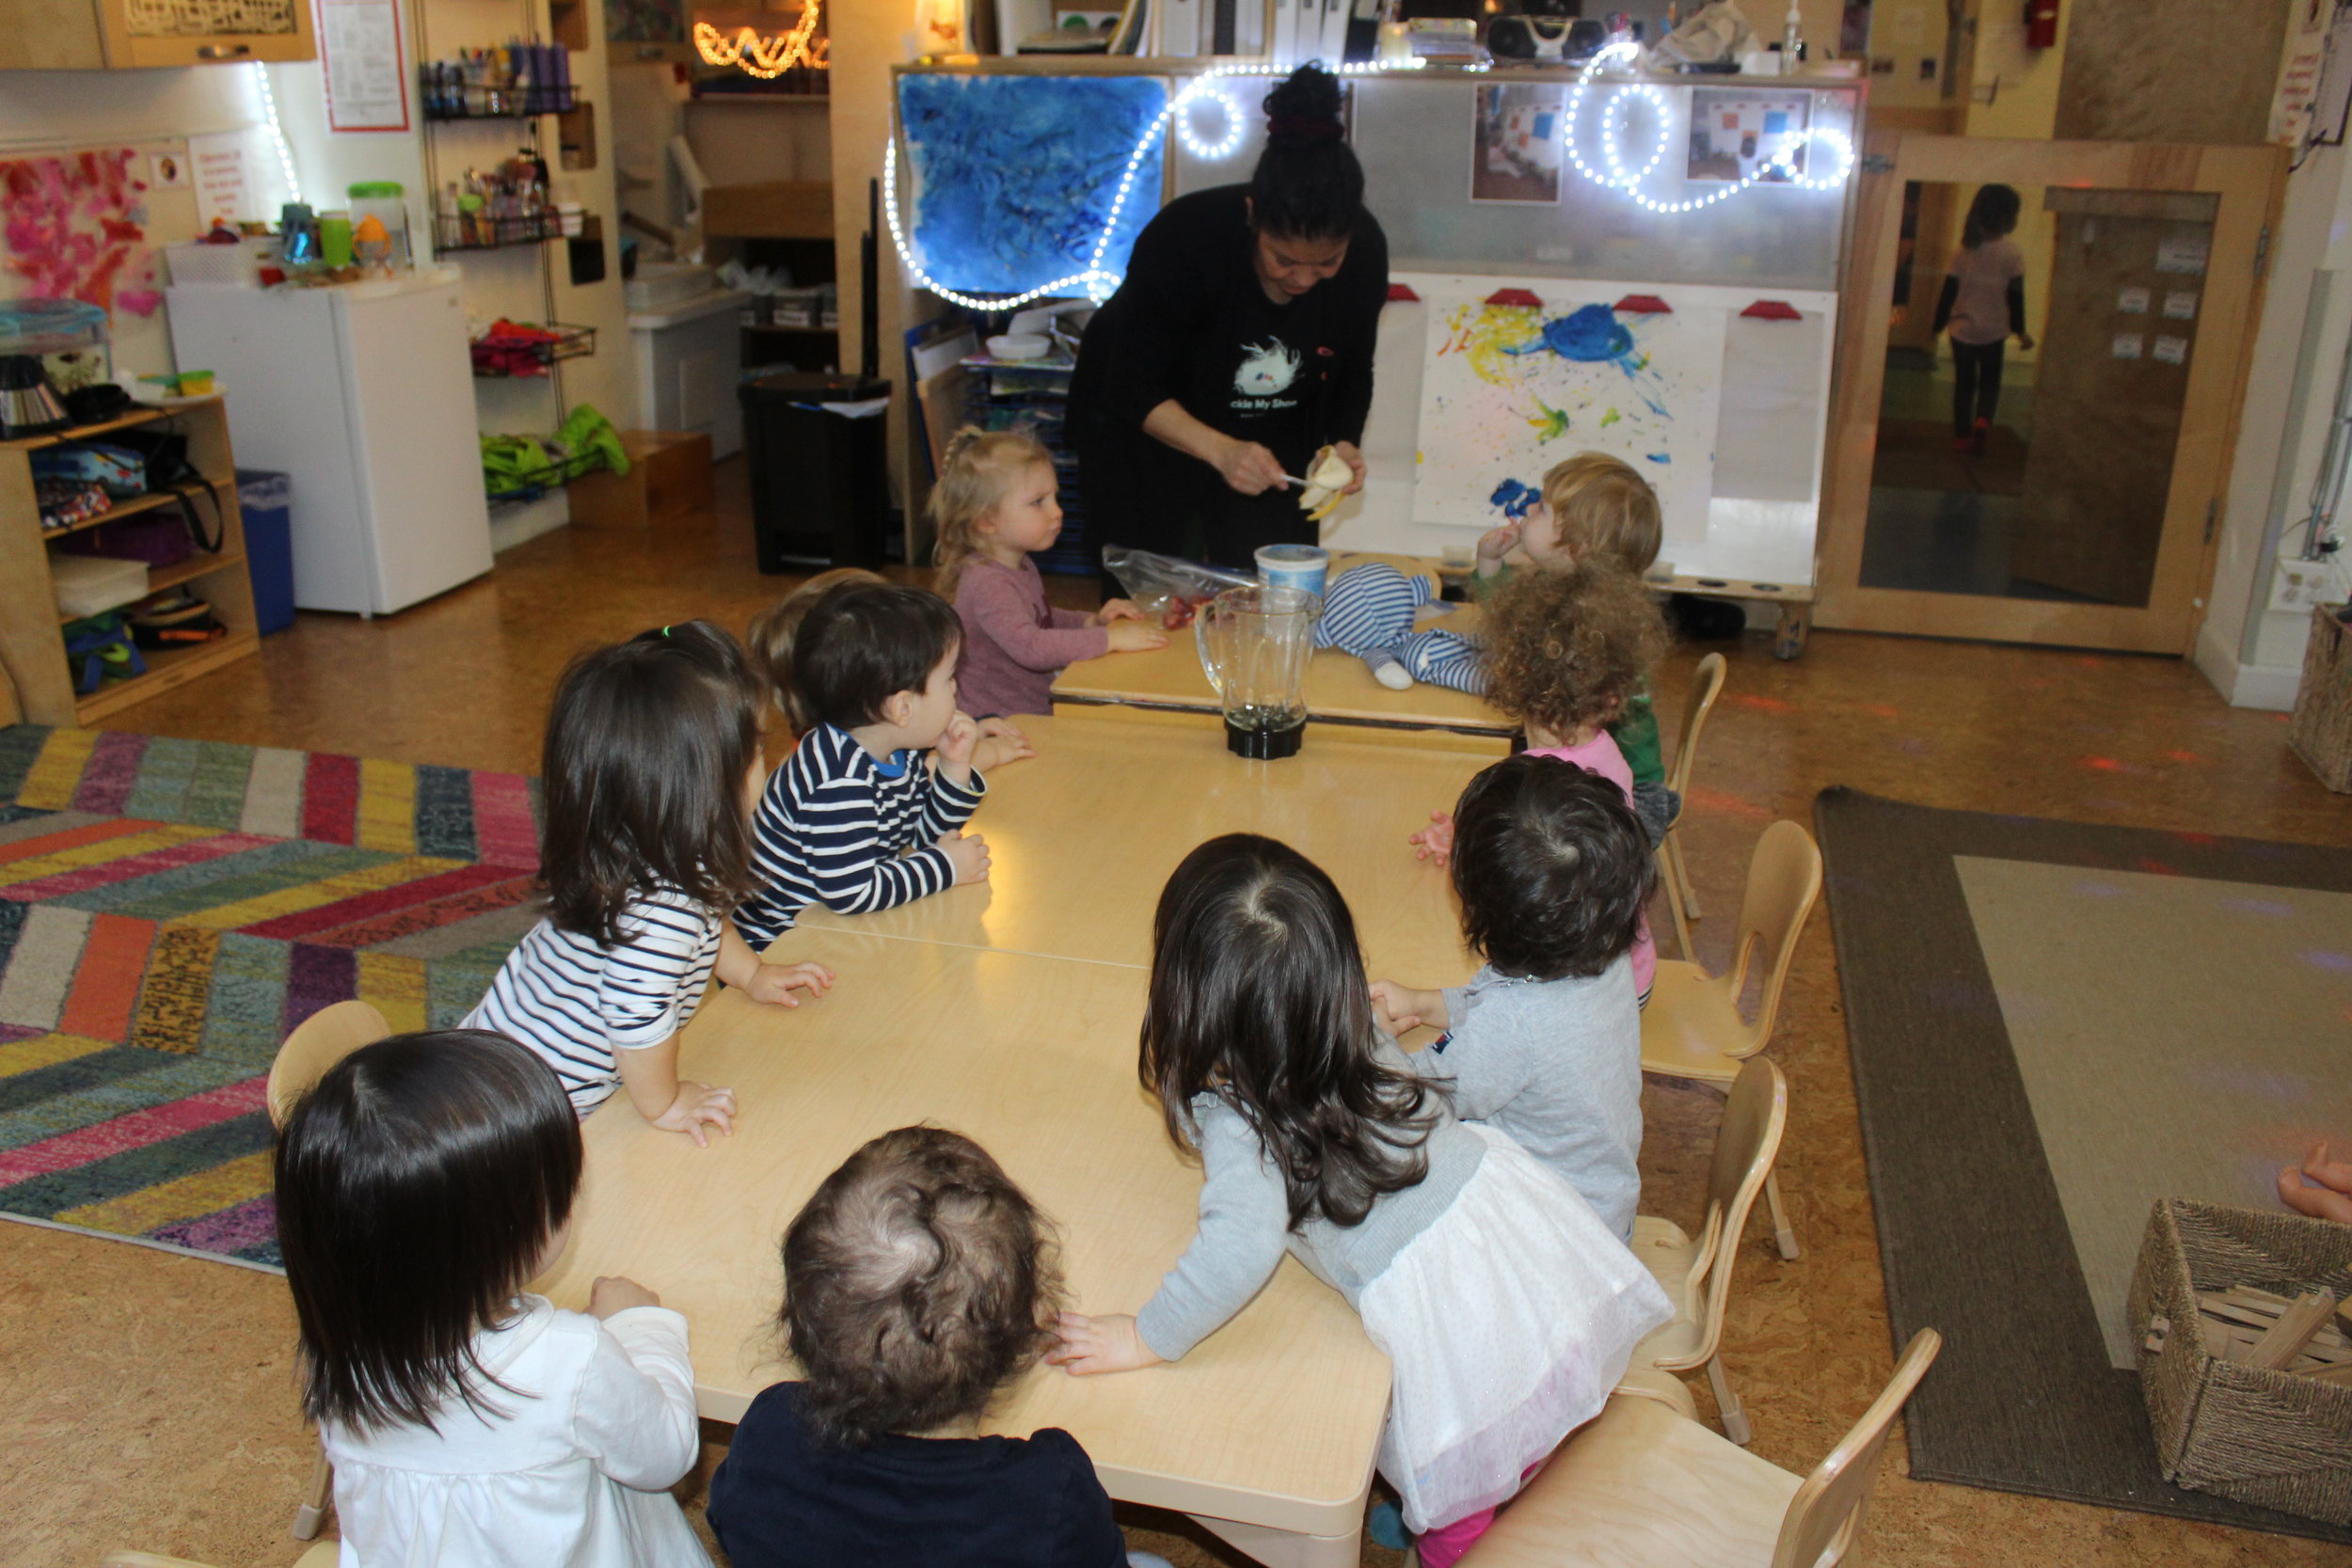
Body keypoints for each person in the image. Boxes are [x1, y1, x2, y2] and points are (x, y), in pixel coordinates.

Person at [1047, 835, 1671, 1568]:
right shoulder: (1347, 1020)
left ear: (1190, 990)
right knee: (1530, 1407)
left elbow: (1238, 1251)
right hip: (1510, 1240)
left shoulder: (1241, 1120)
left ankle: (1463, 1537)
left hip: (1456, 1318)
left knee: (1461, 1510)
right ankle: (1509, 1478)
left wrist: (1145, 1336)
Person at [276, 1029, 707, 1567]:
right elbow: (664, 1454)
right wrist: (643, 1325)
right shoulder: (570, 1357)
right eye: (559, 1185)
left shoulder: (341, 1342)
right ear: (501, 1236)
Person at [707, 1127, 1172, 1568]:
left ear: (801, 1327)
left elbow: (732, 1524)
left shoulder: (769, 1435)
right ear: (1024, 1337)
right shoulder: (1049, 1491)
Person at [464, 622, 833, 1141]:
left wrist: (750, 975)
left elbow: (709, 924)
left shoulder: (646, 845)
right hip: (529, 1110)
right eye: (755, 753)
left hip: (498, 1060)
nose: (766, 768)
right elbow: (635, 1012)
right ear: (702, 790)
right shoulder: (666, 908)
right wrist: (665, 1104)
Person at [1068, 64, 1389, 572]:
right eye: (1284, 260)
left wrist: (1341, 444)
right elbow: (1129, 383)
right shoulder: (1186, 239)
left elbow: (1352, 369)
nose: (1304, 280)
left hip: (1271, 431)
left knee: (1269, 583)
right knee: (1152, 589)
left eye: (1326, 263)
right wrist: (1219, 451)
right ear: (1251, 213)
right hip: (1146, 426)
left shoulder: (1367, 252)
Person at [1369, 755, 1653, 1241]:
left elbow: (1408, 1102)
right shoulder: (1600, 947)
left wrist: (1371, 1043)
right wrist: (1425, 1001)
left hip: (1549, 1245)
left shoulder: (1513, 1026)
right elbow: (1505, 1001)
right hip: (1601, 1207)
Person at [1409, 566, 1670, 1005]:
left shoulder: (1541, 780)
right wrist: (1473, 835)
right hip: (1626, 973)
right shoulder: (1606, 756)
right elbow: (1557, 857)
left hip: (1586, 1000)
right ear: (1614, 695)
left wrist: (1470, 854)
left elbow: (1528, 894)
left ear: (1511, 676)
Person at [734, 581, 993, 950]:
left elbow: (920, 839)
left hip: (839, 927)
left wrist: (953, 769)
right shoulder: (837, 782)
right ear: (902, 708)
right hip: (781, 948)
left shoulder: (896, 750)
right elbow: (852, 893)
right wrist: (945, 869)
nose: (955, 689)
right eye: (949, 678)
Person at [931, 427, 1168, 719]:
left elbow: (1041, 618)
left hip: (1026, 708)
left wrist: (1091, 621)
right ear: (987, 520)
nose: (1057, 512)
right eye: (1038, 502)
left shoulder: (1017, 564)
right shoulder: (986, 582)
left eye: (1055, 498)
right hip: (997, 722)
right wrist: (1108, 640)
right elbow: (1031, 646)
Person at [750, 568, 1034, 770]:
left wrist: (969, 732)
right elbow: (929, 773)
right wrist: (988, 753)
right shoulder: (835, 768)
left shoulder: (863, 725)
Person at [1933, 182, 2034, 457]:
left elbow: (1948, 291)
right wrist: (2020, 331)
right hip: (1993, 331)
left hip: (1962, 329)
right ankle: (1983, 421)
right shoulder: (2012, 253)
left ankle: (1961, 436)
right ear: (2008, 218)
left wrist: (1938, 324)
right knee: (1990, 382)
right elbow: (2016, 296)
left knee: (1964, 385)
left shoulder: (1963, 250)